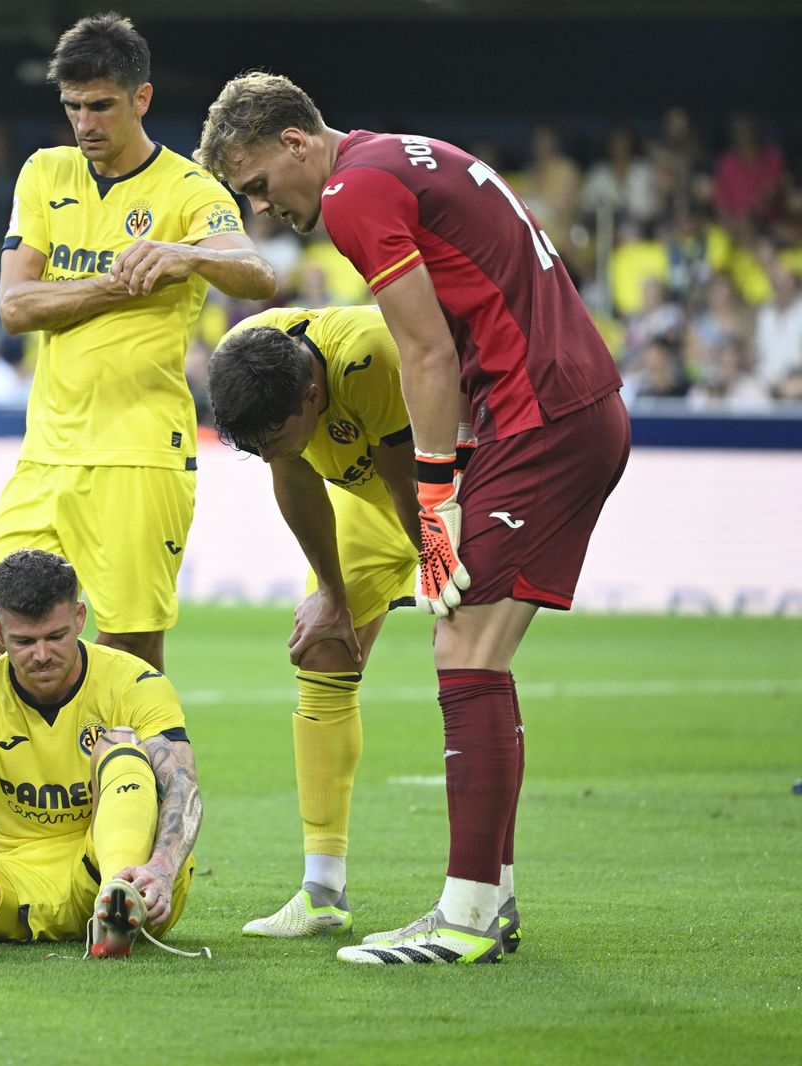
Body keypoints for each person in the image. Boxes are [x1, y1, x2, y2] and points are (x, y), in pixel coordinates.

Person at [196, 72, 630, 964]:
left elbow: (427, 353)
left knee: (463, 651)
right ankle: (487, 902)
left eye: (254, 185)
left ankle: (467, 915)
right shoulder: (393, 160)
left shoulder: (355, 192)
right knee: (475, 651)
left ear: (293, 142)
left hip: (537, 413)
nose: (261, 207)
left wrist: (435, 511)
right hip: (562, 403)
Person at [0, 13, 277, 673]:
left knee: (131, 652)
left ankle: (143, 777)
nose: (85, 124)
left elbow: (258, 273)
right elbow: (14, 308)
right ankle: (59, 767)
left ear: (141, 98)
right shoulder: (46, 174)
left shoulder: (189, 190)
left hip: (141, 452)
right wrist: (116, 288)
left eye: (101, 106)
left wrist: (186, 256)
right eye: (73, 107)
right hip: (47, 452)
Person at [206, 306, 420, 941]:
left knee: (470, 660)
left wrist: (441, 571)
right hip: (373, 504)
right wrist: (330, 590)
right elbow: (293, 478)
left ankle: (479, 896)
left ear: (313, 393)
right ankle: (322, 892)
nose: (271, 454)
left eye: (275, 439)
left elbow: (416, 483)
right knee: (324, 649)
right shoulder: (252, 361)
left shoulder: (369, 356)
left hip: (455, 491)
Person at [0, 548, 203, 962]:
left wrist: (161, 866)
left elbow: (182, 784)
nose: (42, 654)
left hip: (134, 875)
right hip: (24, 887)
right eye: (24, 641)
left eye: (56, 636)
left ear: (80, 619)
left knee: (119, 745)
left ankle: (117, 900)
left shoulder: (136, 682)